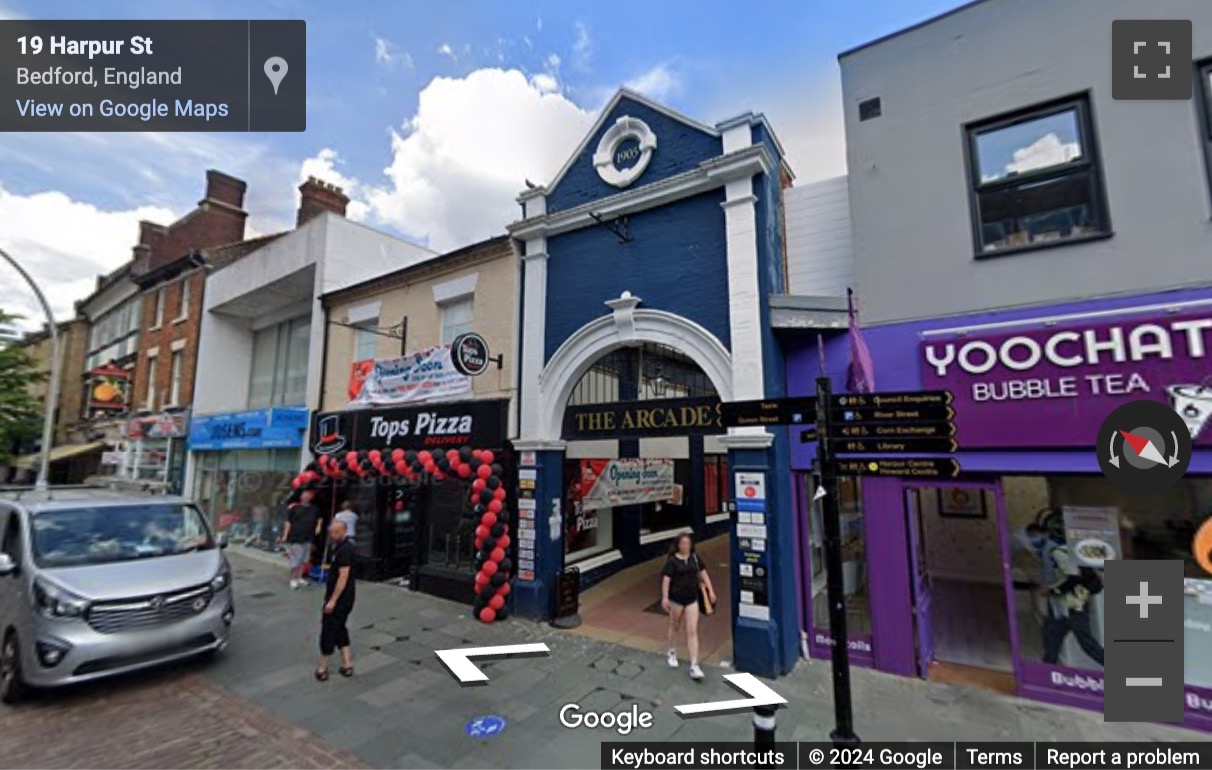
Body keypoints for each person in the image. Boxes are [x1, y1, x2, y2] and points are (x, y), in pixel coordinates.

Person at [1026, 520, 1105, 667]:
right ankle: (1047, 673)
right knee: (1051, 641)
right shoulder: (1050, 551)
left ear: (1046, 534)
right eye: (1030, 536)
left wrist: (1053, 591)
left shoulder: (1057, 551)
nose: (1032, 540)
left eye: (1034, 536)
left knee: (1087, 645)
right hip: (1061, 607)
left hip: (1072, 606)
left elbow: (1073, 578)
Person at [660, 533, 717, 681]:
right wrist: (665, 598)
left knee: (692, 630)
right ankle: (672, 651)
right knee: (675, 625)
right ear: (678, 545)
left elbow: (704, 574)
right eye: (683, 543)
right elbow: (666, 580)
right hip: (676, 599)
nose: (686, 546)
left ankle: (694, 664)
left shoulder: (695, 558)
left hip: (692, 599)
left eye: (688, 543)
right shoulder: (672, 561)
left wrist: (711, 591)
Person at [315, 518, 357, 681]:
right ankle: (347, 664)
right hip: (345, 598)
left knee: (328, 630)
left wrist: (332, 600)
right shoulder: (340, 547)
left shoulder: (345, 550)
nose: (332, 535)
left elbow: (343, 577)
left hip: (340, 599)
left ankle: (322, 668)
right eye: (331, 532)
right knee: (340, 628)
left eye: (335, 532)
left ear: (343, 531)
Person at [280, 491, 322, 590]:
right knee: (296, 559)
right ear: (301, 497)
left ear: (311, 497)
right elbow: (288, 522)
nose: (306, 497)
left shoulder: (314, 509)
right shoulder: (294, 508)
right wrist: (285, 536)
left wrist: (318, 527)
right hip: (296, 537)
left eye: (308, 496)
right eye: (304, 496)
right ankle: (293, 579)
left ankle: (299, 578)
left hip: (308, 537)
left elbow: (320, 518)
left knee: (304, 559)